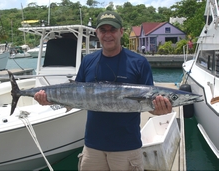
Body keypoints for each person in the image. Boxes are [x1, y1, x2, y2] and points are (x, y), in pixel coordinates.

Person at [34, 11, 172, 171]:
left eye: (112, 30)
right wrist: (49, 99)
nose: (108, 35)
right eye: (103, 30)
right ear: (96, 33)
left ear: (121, 31)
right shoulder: (88, 61)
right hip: (93, 146)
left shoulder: (139, 63)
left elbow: (149, 104)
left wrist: (160, 110)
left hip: (126, 147)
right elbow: (74, 95)